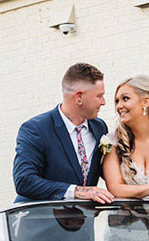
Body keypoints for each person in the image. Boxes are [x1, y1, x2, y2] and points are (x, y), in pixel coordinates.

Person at [13, 62, 114, 204]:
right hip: (40, 221)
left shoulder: (99, 127)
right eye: (99, 96)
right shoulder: (35, 129)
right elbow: (24, 181)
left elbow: (109, 171)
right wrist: (78, 192)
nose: (103, 102)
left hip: (83, 222)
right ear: (79, 97)